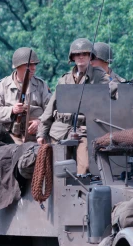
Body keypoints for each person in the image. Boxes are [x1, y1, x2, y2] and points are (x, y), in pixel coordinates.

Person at [37, 38, 110, 173]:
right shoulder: (65, 79)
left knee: (85, 167)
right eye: (77, 54)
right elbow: (50, 107)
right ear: (72, 57)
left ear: (90, 56)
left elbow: (113, 89)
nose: (81, 57)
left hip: (84, 130)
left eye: (85, 54)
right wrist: (41, 133)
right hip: (60, 131)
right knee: (59, 170)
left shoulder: (98, 76)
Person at [0, 47, 52, 144]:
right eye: (29, 65)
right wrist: (11, 110)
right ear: (18, 66)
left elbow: (51, 111)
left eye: (34, 64)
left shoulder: (41, 85)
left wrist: (39, 122)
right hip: (11, 137)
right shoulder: (3, 85)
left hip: (37, 137)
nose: (33, 68)